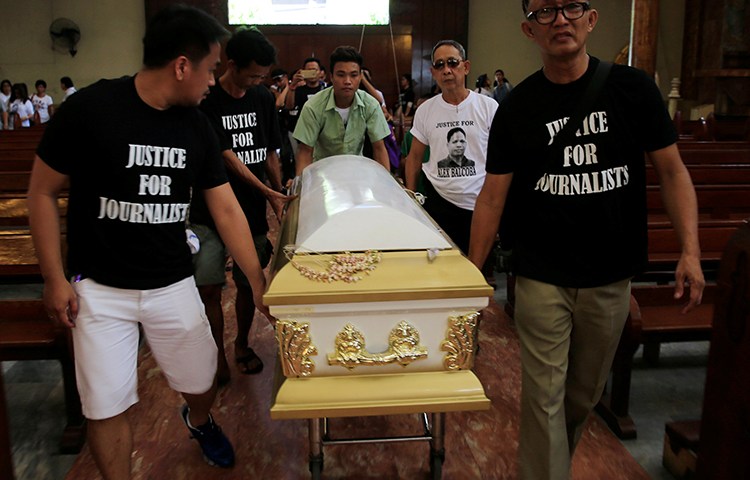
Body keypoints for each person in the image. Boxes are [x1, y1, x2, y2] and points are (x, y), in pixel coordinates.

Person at [27, 5, 273, 476]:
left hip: (169, 282)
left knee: (202, 382)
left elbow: (225, 209)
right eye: (209, 69)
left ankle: (199, 421)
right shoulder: (90, 109)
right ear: (182, 65)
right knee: (105, 405)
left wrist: (256, 281)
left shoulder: (197, 124)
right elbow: (41, 191)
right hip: (98, 289)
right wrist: (54, 279)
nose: (212, 80)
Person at [467, 2, 705, 479]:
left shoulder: (632, 89)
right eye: (545, 11)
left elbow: (673, 171)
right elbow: (493, 196)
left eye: (571, 7)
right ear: (528, 29)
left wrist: (691, 250)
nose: (560, 19)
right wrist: (473, 274)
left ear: (591, 19)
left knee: (581, 396)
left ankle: (552, 460)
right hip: (541, 273)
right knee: (543, 399)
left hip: (610, 274)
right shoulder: (518, 106)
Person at [190, 26, 289, 384]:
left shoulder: (262, 98)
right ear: (231, 64)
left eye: (263, 76)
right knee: (210, 286)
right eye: (252, 74)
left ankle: (242, 344)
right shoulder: (207, 98)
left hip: (251, 208)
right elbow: (227, 157)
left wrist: (276, 194)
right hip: (209, 210)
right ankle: (214, 355)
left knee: (251, 282)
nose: (257, 81)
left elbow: (269, 152)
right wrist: (267, 191)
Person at [404, 40, 498, 254]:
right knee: (441, 271)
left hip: (480, 203)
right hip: (439, 201)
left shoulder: (488, 107)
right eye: (439, 65)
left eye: (452, 63)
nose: (446, 70)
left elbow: (501, 158)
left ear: (465, 67)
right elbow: (414, 157)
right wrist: (411, 198)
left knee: (476, 273)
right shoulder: (425, 109)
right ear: (433, 72)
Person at [292, 45, 391, 174]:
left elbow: (379, 148)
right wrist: (303, 186)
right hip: (322, 174)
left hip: (357, 173)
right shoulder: (313, 106)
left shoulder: (371, 105)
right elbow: (305, 151)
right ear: (331, 77)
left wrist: (386, 184)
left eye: (353, 75)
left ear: (361, 77)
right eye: (341, 75)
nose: (347, 81)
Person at [285, 56, 326, 156]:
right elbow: (289, 106)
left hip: (322, 133)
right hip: (301, 133)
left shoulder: (326, 90)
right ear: (303, 72)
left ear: (321, 72)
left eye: (315, 70)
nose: (312, 72)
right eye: (309, 70)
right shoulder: (298, 90)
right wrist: (292, 86)